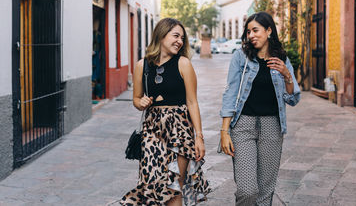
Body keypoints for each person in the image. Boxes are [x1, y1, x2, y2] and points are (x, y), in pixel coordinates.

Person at [120, 18, 210, 205]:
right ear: (161, 35)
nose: (179, 41)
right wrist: (141, 102)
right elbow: (136, 99)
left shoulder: (183, 63)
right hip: (152, 130)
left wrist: (199, 137)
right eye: (175, 36)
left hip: (180, 130)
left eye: (182, 38)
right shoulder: (141, 66)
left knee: (174, 186)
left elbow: (192, 102)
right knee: (151, 185)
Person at [219, 11, 301, 206]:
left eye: (255, 30)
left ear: (269, 30)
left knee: (265, 192)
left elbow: (292, 98)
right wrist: (224, 131)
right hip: (243, 126)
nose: (251, 35)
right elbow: (230, 92)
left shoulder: (281, 58)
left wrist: (286, 74)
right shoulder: (241, 57)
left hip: (272, 126)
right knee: (248, 190)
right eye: (248, 32)